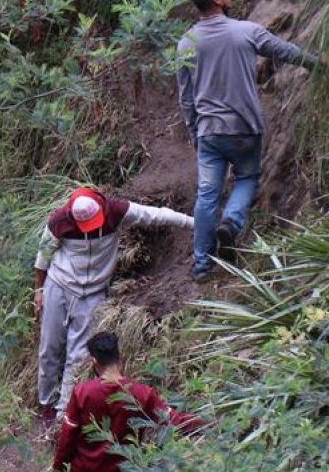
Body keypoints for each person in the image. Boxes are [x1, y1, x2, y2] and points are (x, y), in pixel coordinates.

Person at [176, 0, 320, 280]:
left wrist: (194, 134)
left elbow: (186, 99)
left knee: (206, 196)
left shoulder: (186, 43)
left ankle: (202, 265)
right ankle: (231, 221)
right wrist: (317, 64)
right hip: (244, 128)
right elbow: (285, 51)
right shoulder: (246, 31)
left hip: (209, 132)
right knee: (247, 178)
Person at [35, 188, 194, 423]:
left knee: (78, 355)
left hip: (92, 293)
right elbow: (43, 256)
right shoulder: (59, 220)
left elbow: (155, 215)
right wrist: (39, 291)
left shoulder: (116, 211)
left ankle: (62, 416)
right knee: (49, 348)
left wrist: (194, 222)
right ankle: (45, 403)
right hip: (58, 286)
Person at [53, 331, 204, 471]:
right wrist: (209, 421)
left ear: (94, 361)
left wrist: (57, 467)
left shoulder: (82, 392)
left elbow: (67, 438)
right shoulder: (142, 394)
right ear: (120, 356)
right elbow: (174, 420)